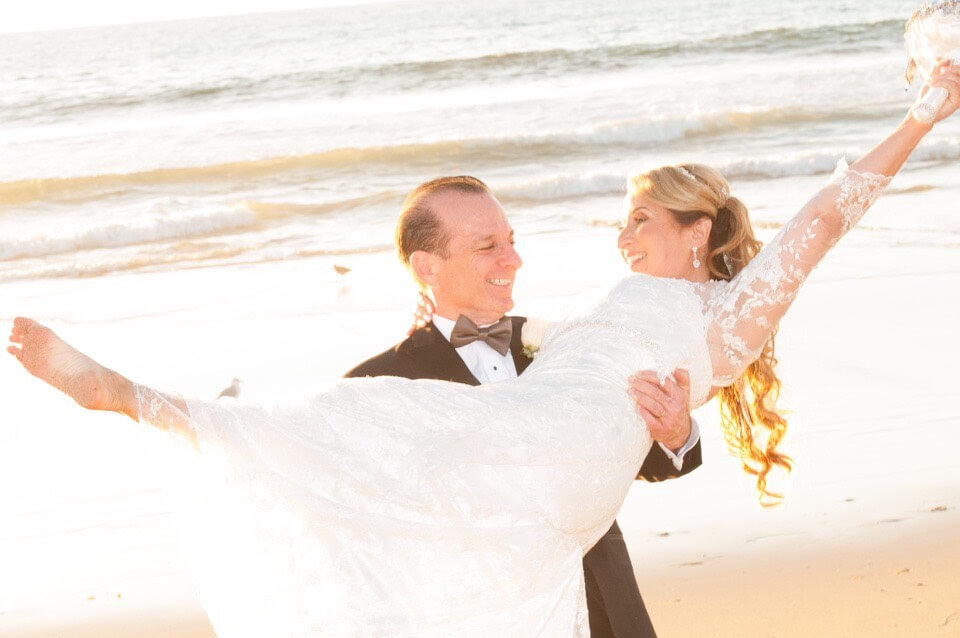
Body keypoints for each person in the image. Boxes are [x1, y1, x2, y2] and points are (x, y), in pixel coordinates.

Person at [7, 63, 958, 636]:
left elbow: (822, 222)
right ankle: (144, 401)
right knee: (320, 425)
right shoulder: (418, 371)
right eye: (487, 245)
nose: (619, 237)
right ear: (427, 268)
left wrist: (922, 114)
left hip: (564, 498)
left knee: (332, 428)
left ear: (696, 229)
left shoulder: (722, 321)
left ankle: (145, 400)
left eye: (639, 219)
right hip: (499, 534)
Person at [343, 176, 702, 638]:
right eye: (487, 246)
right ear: (427, 266)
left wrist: (675, 434)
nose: (512, 259)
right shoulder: (376, 388)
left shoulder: (567, 344)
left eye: (511, 241)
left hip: (601, 602)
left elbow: (628, 459)